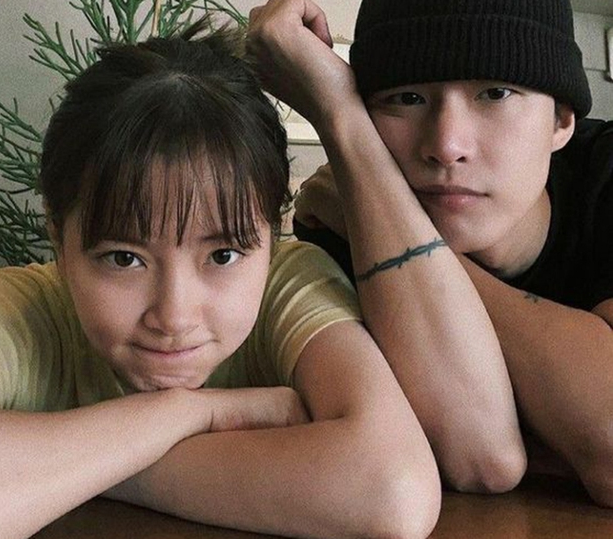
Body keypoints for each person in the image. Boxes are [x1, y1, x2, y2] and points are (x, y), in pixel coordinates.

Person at [0, 19, 442, 539]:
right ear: (58, 238)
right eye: (123, 259)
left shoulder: (287, 287)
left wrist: (83, 467)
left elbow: (393, 492)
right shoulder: (24, 311)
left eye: (223, 255)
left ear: (273, 234)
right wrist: (188, 414)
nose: (174, 316)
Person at [247, 0, 613, 505]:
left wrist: (393, 235)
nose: (446, 144)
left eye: (495, 93)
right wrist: (338, 114)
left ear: (562, 121)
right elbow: (474, 458)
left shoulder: (605, 174)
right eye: (407, 97)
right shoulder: (335, 233)